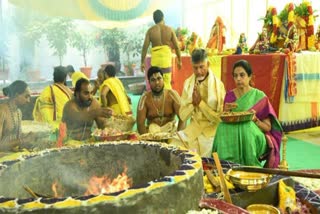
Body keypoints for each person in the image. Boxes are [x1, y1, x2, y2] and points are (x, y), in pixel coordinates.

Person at [212, 60, 282, 168]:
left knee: (246, 126)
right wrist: (225, 112)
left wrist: (255, 120)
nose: (238, 79)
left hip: (254, 135)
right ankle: (225, 166)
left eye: (242, 75)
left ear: (250, 77)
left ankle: (250, 167)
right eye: (235, 76)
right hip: (233, 134)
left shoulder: (259, 97)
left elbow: (267, 128)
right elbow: (226, 120)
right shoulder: (230, 96)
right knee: (222, 127)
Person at [171, 48, 225, 157]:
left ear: (208, 64)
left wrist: (200, 103)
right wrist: (193, 104)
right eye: (195, 68)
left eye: (202, 67)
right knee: (173, 144)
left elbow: (219, 117)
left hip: (210, 131)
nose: (199, 71)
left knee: (206, 158)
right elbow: (182, 115)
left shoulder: (217, 85)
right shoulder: (188, 84)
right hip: (194, 128)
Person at [137, 66, 185, 134]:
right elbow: (140, 124)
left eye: (159, 78)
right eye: (153, 80)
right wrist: (146, 140)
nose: (157, 82)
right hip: (152, 135)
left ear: (163, 79)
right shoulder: (144, 99)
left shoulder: (172, 95)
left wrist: (178, 136)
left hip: (171, 133)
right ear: (149, 82)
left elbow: (183, 119)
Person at [141, 9, 182, 89]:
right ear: (163, 17)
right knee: (166, 83)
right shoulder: (169, 30)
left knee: (156, 83)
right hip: (166, 62)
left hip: (156, 62)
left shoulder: (150, 31)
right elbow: (177, 47)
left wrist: (142, 62)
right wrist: (179, 61)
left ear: (154, 20)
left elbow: (144, 48)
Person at [0, 80, 34, 151]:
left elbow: (17, 140)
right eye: (26, 96)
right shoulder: (2, 111)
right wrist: (23, 140)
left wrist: (28, 140)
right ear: (16, 95)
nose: (28, 101)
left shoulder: (18, 112)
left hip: (13, 155)